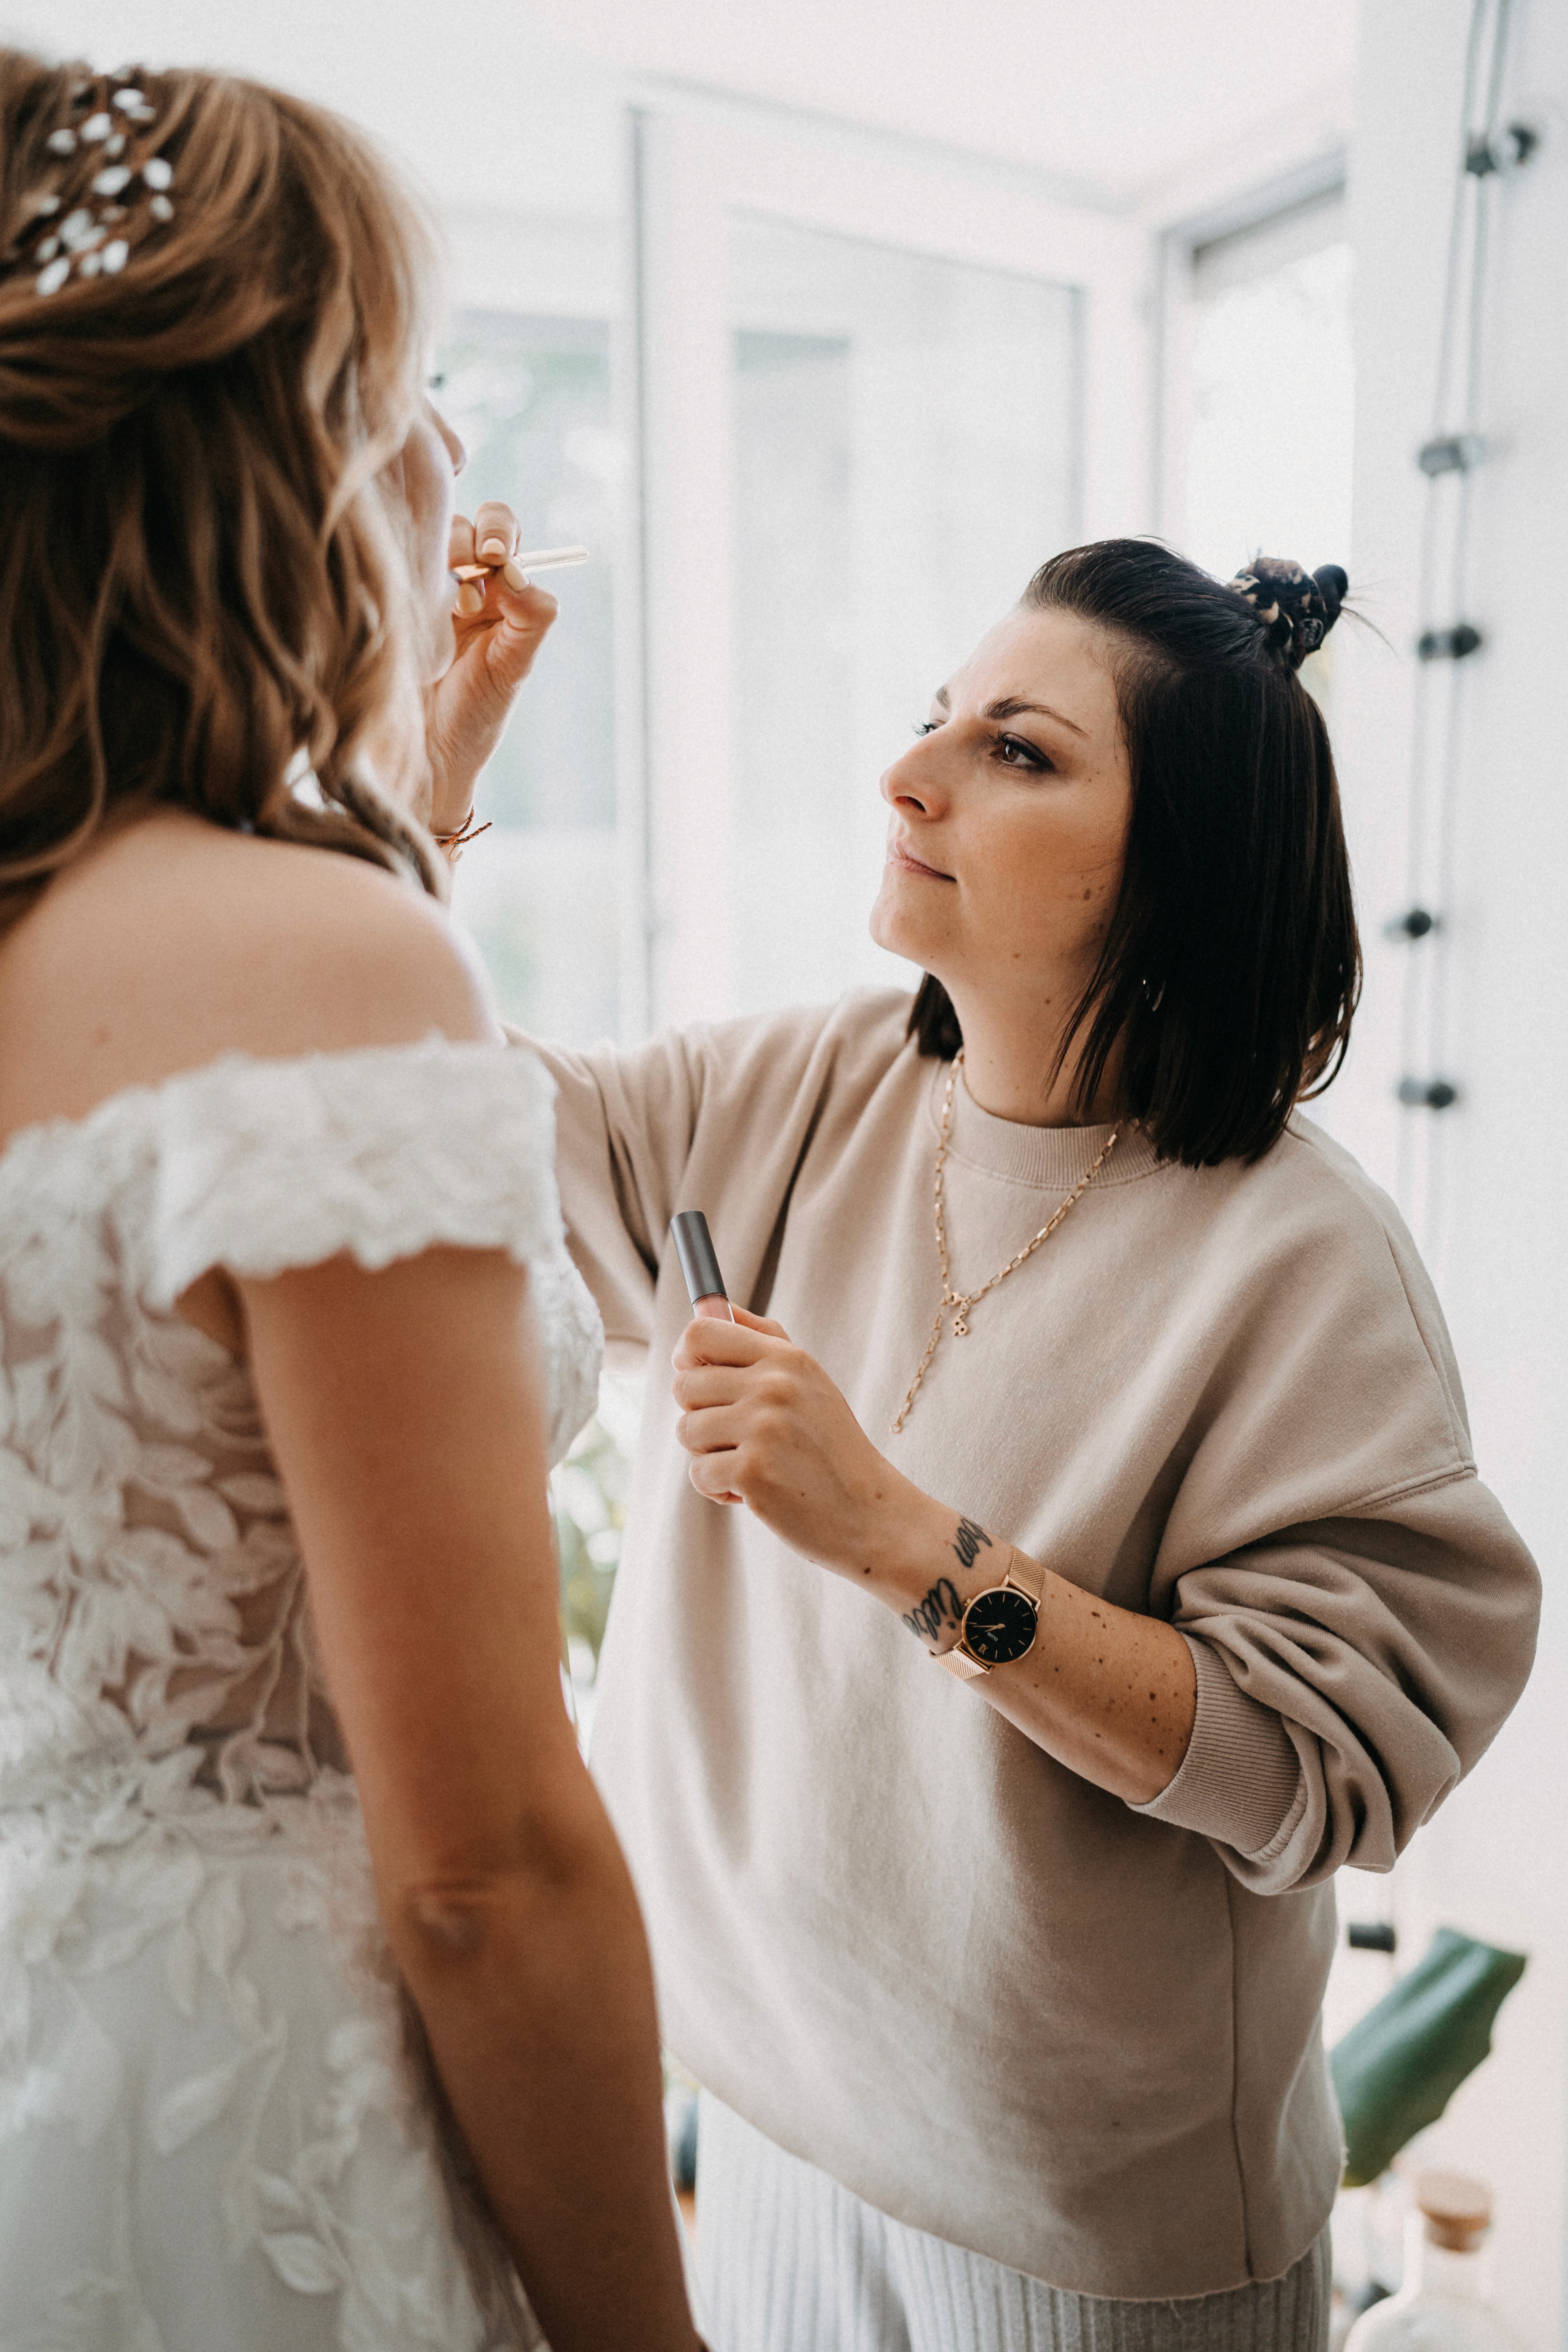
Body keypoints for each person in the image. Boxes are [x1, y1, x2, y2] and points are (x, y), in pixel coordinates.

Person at [473, 541, 1540, 2351]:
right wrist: (429, 783)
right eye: (934, 721)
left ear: (1180, 868)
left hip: (1088, 2236)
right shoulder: (799, 1089)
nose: (910, 775)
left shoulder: (1303, 1263)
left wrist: (903, 1542)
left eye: (1017, 751)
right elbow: (436, 1128)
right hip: (763, 2121)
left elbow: (1318, 1769)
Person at [0, 51, 702, 2352]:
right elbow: (484, 1869)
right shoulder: (318, 970)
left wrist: (406, 812)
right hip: (275, 2121)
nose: (451, 452)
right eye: (402, 386)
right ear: (262, 459)